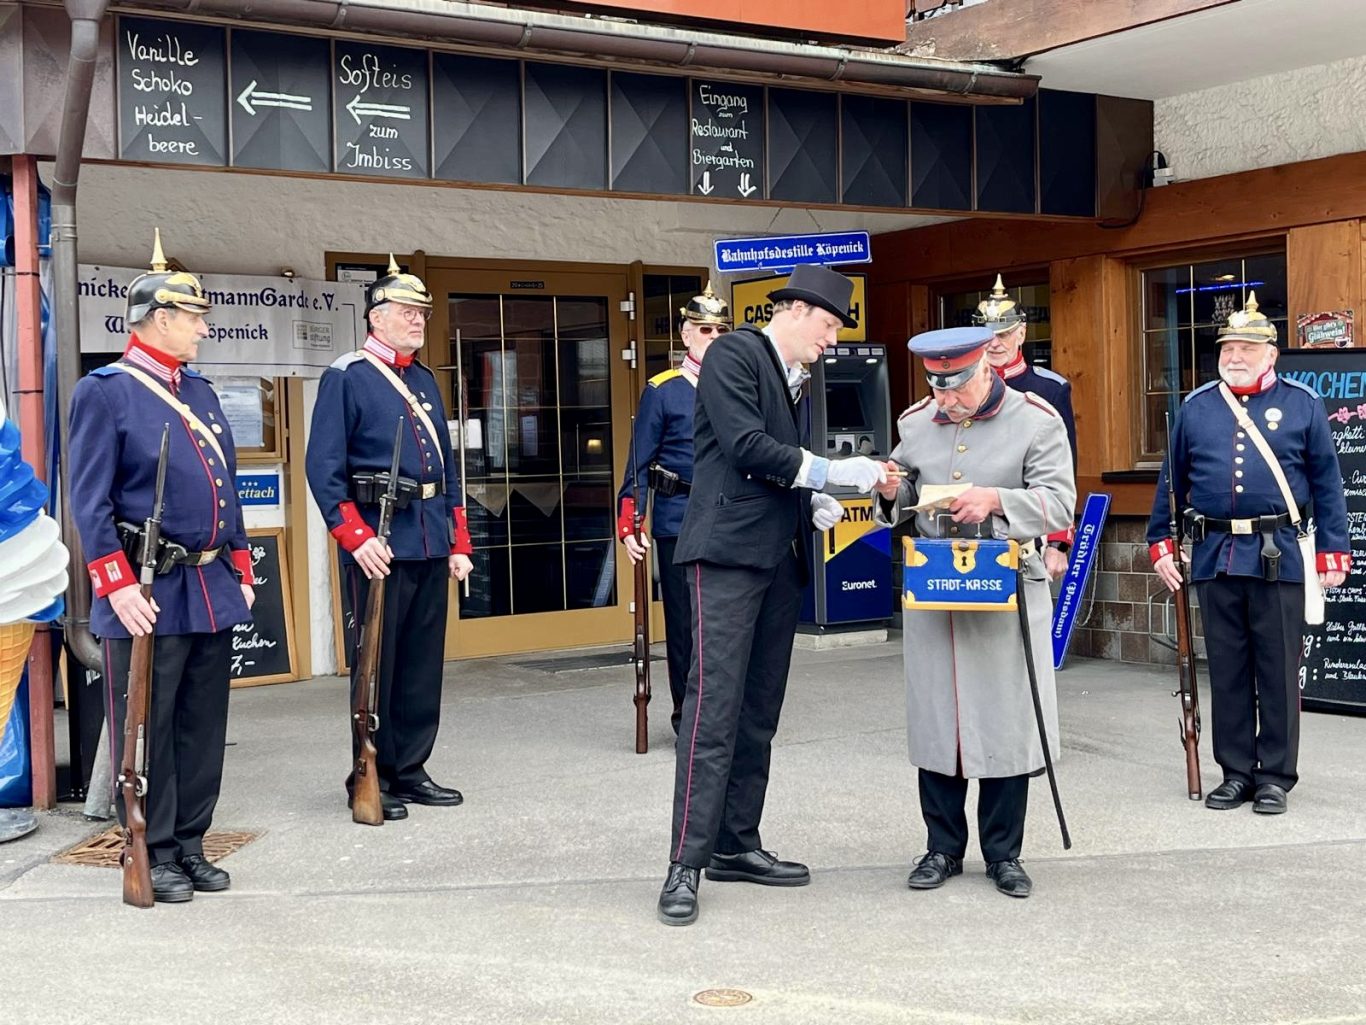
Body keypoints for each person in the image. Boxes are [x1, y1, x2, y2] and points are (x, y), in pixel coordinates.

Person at [657, 264, 889, 926]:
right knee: (712, 711)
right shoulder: (734, 352)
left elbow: (769, 468)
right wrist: (832, 473)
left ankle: (736, 842)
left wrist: (806, 501)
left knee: (758, 711)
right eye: (828, 325)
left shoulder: (793, 375)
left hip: (775, 559)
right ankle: (684, 862)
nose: (832, 340)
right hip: (726, 558)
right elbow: (744, 446)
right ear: (796, 309)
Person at [69, 231, 256, 903]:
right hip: (147, 588)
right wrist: (115, 585)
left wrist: (241, 564)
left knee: (203, 725)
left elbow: (226, 485)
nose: (203, 327)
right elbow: (88, 501)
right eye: (194, 316)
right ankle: (154, 847)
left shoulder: (198, 391)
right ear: (158, 319)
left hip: (208, 584)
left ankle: (192, 842)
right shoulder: (105, 392)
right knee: (149, 728)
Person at [872, 326, 1075, 899]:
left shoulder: (1036, 420)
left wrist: (998, 500)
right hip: (936, 591)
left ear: (985, 368)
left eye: (957, 387)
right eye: (937, 388)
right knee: (938, 721)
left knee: (1006, 722)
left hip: (1005, 589)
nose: (947, 399)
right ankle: (942, 848)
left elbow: (1060, 503)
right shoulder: (916, 423)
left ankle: (1004, 854)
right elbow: (902, 499)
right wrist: (889, 489)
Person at [1147, 293, 1349, 815]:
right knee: (1228, 669)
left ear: (1271, 354)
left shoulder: (1302, 403)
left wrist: (1332, 550)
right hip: (1215, 554)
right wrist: (1161, 541)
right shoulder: (1197, 407)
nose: (1234, 356)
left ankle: (1275, 775)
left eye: (1247, 348)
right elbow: (1172, 482)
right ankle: (1235, 773)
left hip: (1279, 553)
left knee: (1277, 670)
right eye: (1227, 348)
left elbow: (1328, 484)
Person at [306, 257, 473, 822]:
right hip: (378, 541)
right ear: (376, 318)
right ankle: (370, 770)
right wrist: (354, 538)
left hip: (427, 538)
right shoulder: (347, 376)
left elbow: (446, 469)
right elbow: (324, 468)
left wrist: (458, 541)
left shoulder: (423, 379)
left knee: (422, 664)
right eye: (406, 311)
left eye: (422, 312)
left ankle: (411, 767)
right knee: (378, 662)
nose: (418, 319)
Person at [617, 283, 730, 735]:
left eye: (721, 330)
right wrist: (631, 523)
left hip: (728, 518)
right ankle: (690, 715)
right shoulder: (663, 390)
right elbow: (638, 464)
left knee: (725, 622)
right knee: (685, 624)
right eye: (705, 330)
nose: (714, 337)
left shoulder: (739, 388)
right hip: (678, 517)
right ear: (686, 335)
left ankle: (723, 712)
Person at [976, 274, 1077, 580]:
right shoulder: (961, 388)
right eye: (987, 335)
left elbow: (1064, 468)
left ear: (1021, 333)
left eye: (1004, 334)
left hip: (1029, 527)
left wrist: (1058, 542)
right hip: (973, 525)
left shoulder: (1050, 389)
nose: (994, 343)